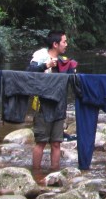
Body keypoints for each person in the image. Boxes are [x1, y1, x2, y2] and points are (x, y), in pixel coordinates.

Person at [27, 30, 73, 170]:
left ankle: (55, 172)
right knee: (41, 141)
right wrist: (46, 66)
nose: (66, 44)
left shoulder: (63, 61)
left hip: (59, 105)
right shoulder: (41, 55)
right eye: (64, 41)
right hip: (42, 105)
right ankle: (36, 174)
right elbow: (28, 72)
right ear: (55, 44)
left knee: (56, 142)